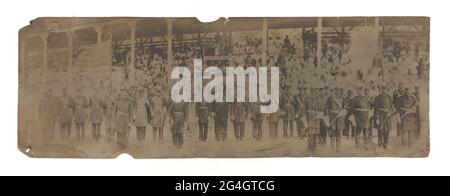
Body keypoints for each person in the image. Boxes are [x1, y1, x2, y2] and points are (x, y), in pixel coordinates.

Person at [325, 87, 345, 152]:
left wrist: (342, 113)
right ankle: (332, 148)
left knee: (339, 132)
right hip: (332, 117)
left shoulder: (342, 99)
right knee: (332, 132)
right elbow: (327, 108)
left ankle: (338, 148)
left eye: (338, 91)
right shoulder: (330, 99)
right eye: (336, 91)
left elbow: (345, 109)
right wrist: (327, 117)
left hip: (339, 118)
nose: (337, 92)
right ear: (334, 92)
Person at [374, 85, 394, 149]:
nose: (384, 90)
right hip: (380, 115)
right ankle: (380, 141)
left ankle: (386, 142)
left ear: (387, 90)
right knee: (380, 128)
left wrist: (390, 112)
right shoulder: (377, 98)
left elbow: (391, 107)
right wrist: (377, 118)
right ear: (381, 90)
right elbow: (376, 108)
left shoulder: (389, 97)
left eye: (385, 89)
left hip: (387, 115)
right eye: (383, 89)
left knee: (387, 129)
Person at [305, 87, 322, 152]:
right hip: (309, 118)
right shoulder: (307, 99)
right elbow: (304, 109)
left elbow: (320, 108)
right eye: (312, 91)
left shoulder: (318, 99)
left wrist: (319, 112)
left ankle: (315, 147)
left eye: (314, 91)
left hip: (316, 118)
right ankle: (309, 146)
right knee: (310, 133)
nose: (313, 93)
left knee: (316, 133)